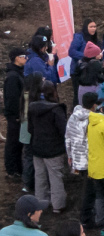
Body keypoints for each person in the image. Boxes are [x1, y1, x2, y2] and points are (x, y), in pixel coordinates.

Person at [27, 80, 69, 213]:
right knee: (55, 176)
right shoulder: (56, 110)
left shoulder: (32, 108)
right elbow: (64, 131)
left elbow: (30, 129)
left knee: (40, 176)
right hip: (54, 150)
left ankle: (40, 203)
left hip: (37, 148)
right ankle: (58, 205)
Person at [85, 94, 104, 236]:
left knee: (99, 198)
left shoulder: (91, 123)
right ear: (103, 108)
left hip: (94, 168)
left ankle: (101, 226)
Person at [4, 47, 27, 177]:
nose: (26, 58)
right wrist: (16, 115)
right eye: (24, 56)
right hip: (15, 115)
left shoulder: (18, 73)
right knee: (13, 142)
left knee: (18, 142)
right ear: (17, 58)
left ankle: (17, 167)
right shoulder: (13, 76)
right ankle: (12, 170)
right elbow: (12, 98)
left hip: (18, 114)